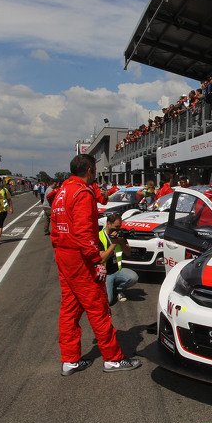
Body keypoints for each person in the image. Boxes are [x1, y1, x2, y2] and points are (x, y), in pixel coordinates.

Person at [51, 154, 141, 376]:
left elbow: (55, 230)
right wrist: (95, 261)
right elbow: (83, 232)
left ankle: (70, 360)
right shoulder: (81, 193)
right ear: (90, 171)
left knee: (69, 310)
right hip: (80, 258)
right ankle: (112, 358)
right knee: (98, 308)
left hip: (64, 255)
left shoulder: (61, 192)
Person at [98, 213, 139, 305]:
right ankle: (107, 288)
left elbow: (128, 253)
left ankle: (116, 290)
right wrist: (113, 243)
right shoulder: (99, 236)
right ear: (108, 223)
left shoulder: (120, 234)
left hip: (117, 270)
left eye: (119, 226)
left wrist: (121, 243)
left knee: (133, 277)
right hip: (105, 273)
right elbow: (102, 259)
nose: (118, 229)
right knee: (108, 301)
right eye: (116, 227)